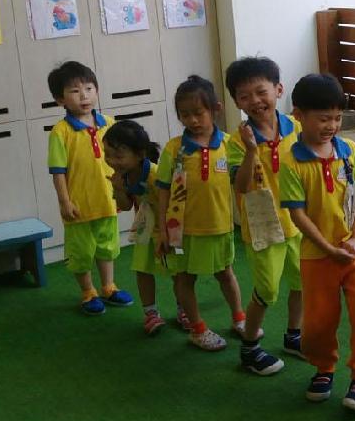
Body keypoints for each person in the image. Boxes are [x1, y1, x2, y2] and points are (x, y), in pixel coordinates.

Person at [278, 74, 355, 411]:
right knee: (319, 323)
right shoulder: (291, 162)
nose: (332, 126)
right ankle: (324, 368)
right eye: (323, 118)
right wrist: (329, 249)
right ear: (299, 115)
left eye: (336, 118)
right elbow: (298, 215)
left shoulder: (350, 151)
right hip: (318, 256)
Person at [225, 56, 306, 376]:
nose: (255, 101)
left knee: (302, 282)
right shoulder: (236, 140)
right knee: (267, 290)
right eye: (244, 96)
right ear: (236, 102)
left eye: (261, 92)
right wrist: (250, 151)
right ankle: (249, 349)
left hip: (298, 222)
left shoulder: (296, 127)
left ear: (278, 90)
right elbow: (241, 186)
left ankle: (294, 336)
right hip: (263, 228)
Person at [155, 75, 246, 351]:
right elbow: (162, 191)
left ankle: (240, 318)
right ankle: (197, 328)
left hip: (220, 227)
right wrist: (162, 229)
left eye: (198, 113)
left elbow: (243, 184)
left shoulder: (229, 144)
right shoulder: (174, 149)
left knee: (226, 274)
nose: (192, 120)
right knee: (185, 278)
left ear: (215, 109)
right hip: (182, 231)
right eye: (185, 115)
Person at [46, 61, 134, 315]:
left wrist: (123, 191)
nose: (83, 96)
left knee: (107, 246)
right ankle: (88, 292)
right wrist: (65, 201)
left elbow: (122, 161)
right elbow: (58, 172)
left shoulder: (109, 123)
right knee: (82, 252)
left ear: (97, 90)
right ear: (60, 99)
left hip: (107, 201)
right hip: (79, 206)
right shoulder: (60, 132)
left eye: (88, 88)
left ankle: (108, 287)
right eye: (74, 91)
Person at [103, 119, 184, 336]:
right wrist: (119, 189)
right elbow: (125, 205)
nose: (112, 161)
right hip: (145, 228)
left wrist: (165, 234)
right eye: (108, 155)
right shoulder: (123, 175)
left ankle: (184, 309)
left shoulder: (156, 174)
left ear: (140, 154)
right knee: (143, 269)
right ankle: (151, 313)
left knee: (178, 272)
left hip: (168, 228)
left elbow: (171, 206)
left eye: (118, 155)